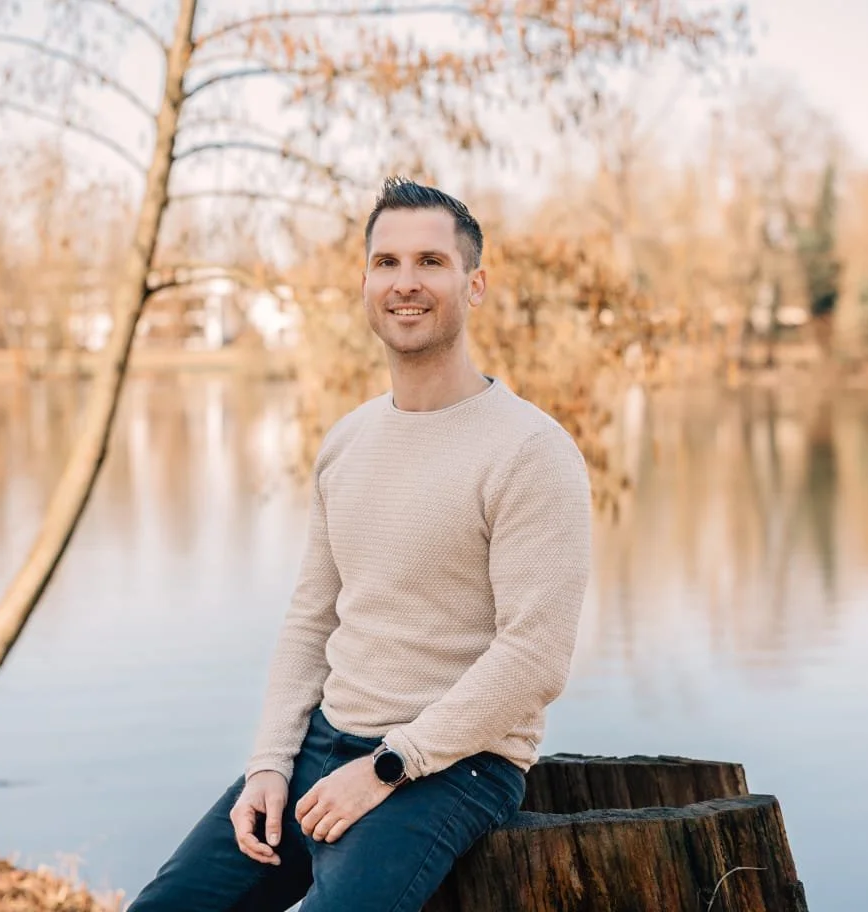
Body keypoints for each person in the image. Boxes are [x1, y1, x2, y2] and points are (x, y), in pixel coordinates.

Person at [128, 177, 592, 912]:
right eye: (386, 263)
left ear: (474, 285)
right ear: (367, 283)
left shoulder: (532, 451)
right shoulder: (347, 442)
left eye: (431, 262)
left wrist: (388, 766)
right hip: (325, 742)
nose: (406, 282)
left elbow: (534, 658)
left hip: (455, 766)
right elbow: (311, 620)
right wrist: (269, 764)